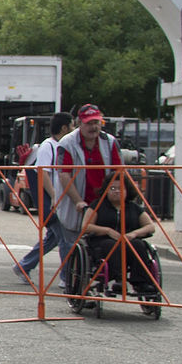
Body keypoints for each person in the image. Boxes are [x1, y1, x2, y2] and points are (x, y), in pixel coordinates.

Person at [55, 103, 123, 289]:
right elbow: (64, 175)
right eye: (89, 123)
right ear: (79, 123)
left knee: (106, 241)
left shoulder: (110, 142)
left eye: (97, 122)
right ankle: (72, 281)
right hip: (77, 202)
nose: (94, 127)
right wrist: (78, 201)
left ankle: (108, 277)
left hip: (104, 202)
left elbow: (119, 172)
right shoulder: (67, 143)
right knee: (72, 244)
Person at [12, 112, 74, 285]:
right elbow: (43, 173)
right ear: (64, 128)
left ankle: (24, 266)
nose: (74, 128)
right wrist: (55, 195)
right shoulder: (49, 146)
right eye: (72, 125)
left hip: (58, 200)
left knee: (53, 239)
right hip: (53, 201)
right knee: (65, 240)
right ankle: (66, 278)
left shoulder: (62, 146)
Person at [81, 172, 157, 294]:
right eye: (112, 188)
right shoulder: (98, 205)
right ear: (106, 190)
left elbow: (150, 226)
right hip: (102, 242)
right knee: (111, 245)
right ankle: (119, 280)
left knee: (138, 245)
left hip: (128, 241)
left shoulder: (134, 208)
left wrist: (134, 234)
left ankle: (141, 282)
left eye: (121, 188)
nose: (117, 191)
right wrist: (108, 231)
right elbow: (85, 226)